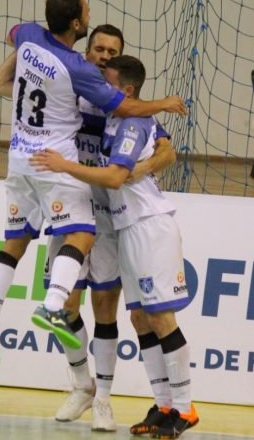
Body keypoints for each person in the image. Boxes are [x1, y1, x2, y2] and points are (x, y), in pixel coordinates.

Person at [0, 0, 185, 370]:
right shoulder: (82, 77)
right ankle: (80, 382)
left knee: (104, 303)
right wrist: (167, 103)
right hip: (63, 181)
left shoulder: (32, 37)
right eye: (100, 49)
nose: (105, 56)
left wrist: (132, 170)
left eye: (113, 53)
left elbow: (166, 150)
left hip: (85, 193)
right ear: (84, 41)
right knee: (69, 291)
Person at [30, 55, 198, 439]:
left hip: (148, 225)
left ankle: (185, 409)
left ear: (124, 89)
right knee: (140, 318)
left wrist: (63, 166)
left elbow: (115, 176)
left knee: (160, 318)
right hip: (127, 226)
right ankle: (163, 404)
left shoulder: (132, 123)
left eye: (105, 79)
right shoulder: (119, 117)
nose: (98, 85)